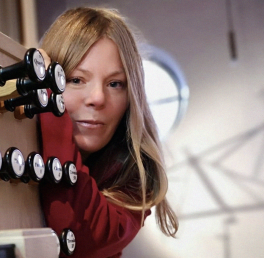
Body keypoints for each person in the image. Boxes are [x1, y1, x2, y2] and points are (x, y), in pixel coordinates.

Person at [37, 7, 179, 257]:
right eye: (76, 80)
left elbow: (77, 236)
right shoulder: (13, 140)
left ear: (131, 96)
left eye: (115, 84)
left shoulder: (135, 178)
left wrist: (49, 102)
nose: (98, 98)